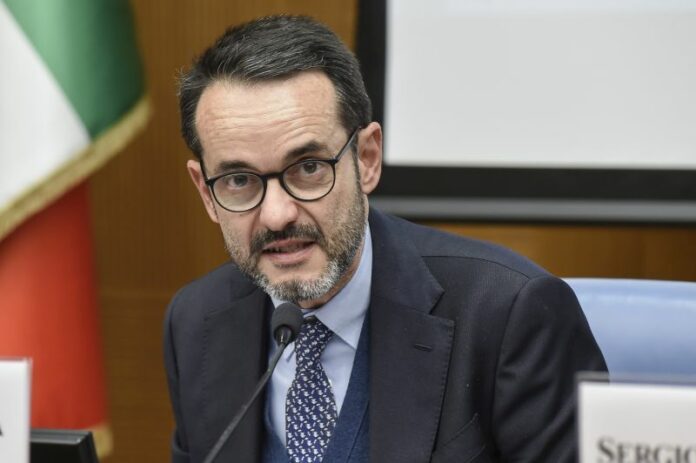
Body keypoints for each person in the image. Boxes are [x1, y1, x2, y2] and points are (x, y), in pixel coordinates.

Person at [164, 15, 607, 463]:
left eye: (309, 168)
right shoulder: (196, 323)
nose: (277, 215)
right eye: (239, 180)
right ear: (206, 193)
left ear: (368, 159)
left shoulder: (508, 315)